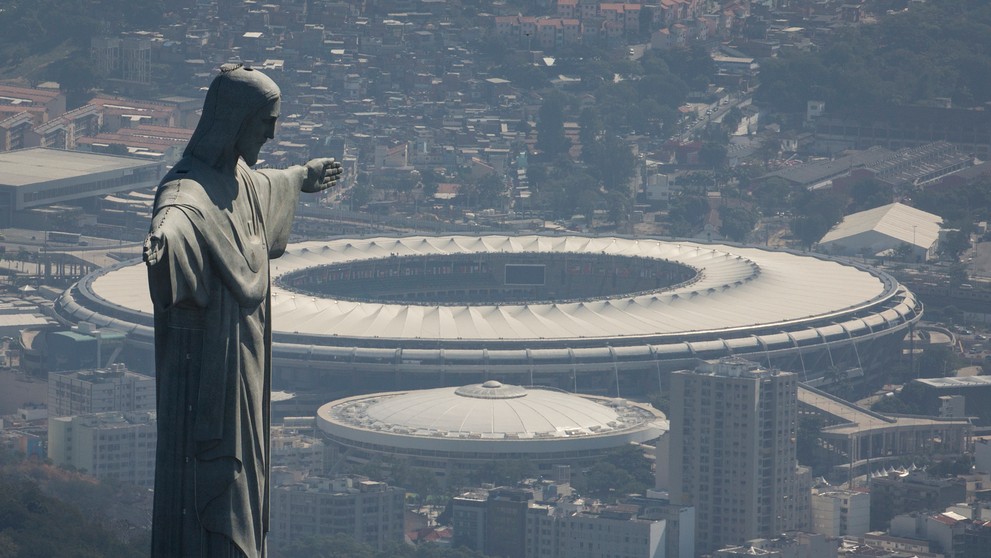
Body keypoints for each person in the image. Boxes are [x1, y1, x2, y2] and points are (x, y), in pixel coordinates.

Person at [144, 64, 341, 558]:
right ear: (233, 121)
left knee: (247, 484)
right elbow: (175, 221)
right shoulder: (187, 196)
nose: (272, 134)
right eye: (264, 122)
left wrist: (302, 176)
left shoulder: (242, 181)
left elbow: (267, 185)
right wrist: (162, 244)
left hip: (246, 368)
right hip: (210, 373)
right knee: (216, 487)